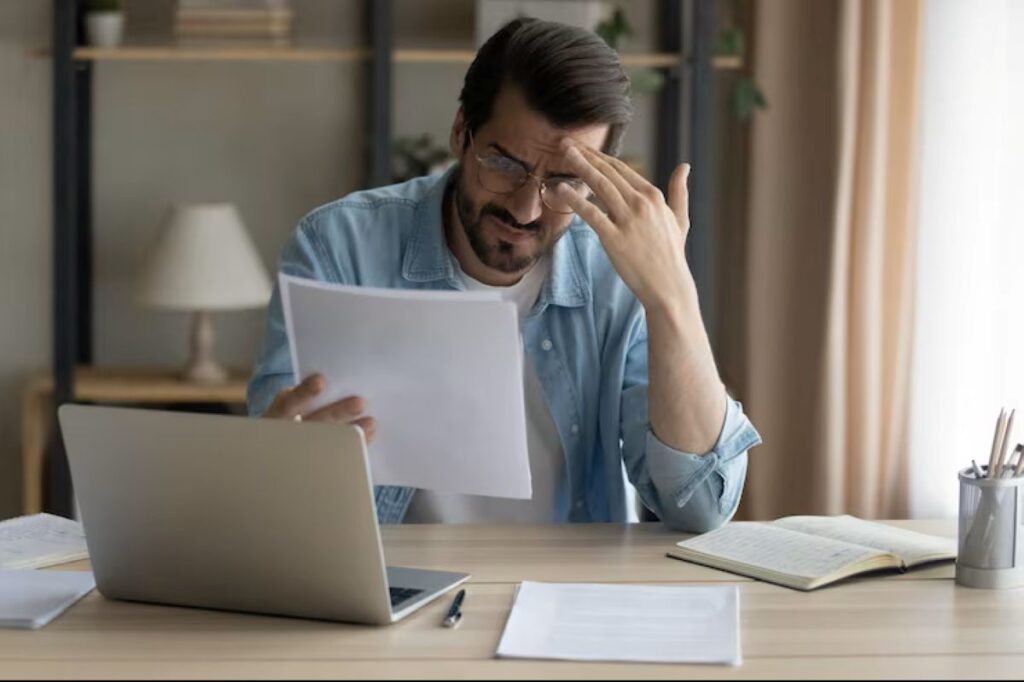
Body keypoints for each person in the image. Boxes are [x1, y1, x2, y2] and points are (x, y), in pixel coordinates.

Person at [248, 17, 761, 532]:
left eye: (564, 181)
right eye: (506, 164)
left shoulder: (617, 268)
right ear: (460, 132)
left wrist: (672, 294)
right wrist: (281, 455)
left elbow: (701, 508)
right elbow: (277, 484)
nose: (527, 209)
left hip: (569, 591)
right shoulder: (338, 246)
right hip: (391, 583)